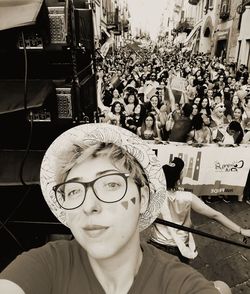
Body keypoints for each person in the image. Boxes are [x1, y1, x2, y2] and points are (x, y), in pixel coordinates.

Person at [0, 124, 223, 294]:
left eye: (111, 185)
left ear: (143, 198)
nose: (89, 206)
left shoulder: (178, 284)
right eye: (74, 190)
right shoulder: (47, 265)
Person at [150, 157, 250, 263]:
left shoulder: (152, 195)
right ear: (178, 179)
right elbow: (215, 215)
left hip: (156, 244)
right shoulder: (188, 197)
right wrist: (241, 230)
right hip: (178, 248)